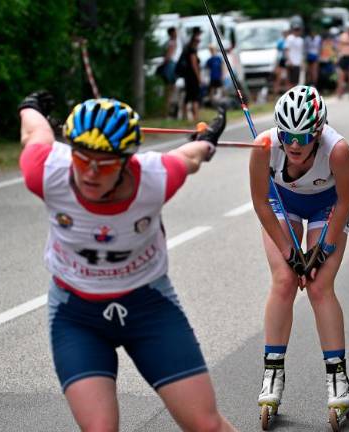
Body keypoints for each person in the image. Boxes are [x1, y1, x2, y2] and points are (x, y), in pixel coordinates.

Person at [17, 92, 237, 432]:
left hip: (148, 307)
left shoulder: (154, 177)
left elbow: (188, 157)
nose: (90, 173)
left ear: (126, 162)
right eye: (82, 159)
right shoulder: (46, 172)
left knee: (206, 425)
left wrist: (206, 143)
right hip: (77, 316)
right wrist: (31, 107)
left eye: (104, 164)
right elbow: (35, 132)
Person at [249, 85, 349, 422]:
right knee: (284, 280)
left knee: (319, 286)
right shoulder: (265, 146)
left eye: (304, 136)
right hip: (282, 203)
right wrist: (289, 251)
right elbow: (259, 203)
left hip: (328, 207)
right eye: (288, 135)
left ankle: (337, 380)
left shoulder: (337, 151)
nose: (294, 144)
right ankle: (272, 376)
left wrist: (322, 251)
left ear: (319, 131)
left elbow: (345, 202)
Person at [181, 28, 202, 121]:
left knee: (188, 96)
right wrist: (199, 77)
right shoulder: (192, 50)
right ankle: (196, 117)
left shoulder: (187, 48)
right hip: (192, 76)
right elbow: (194, 65)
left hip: (187, 76)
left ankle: (184, 116)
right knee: (194, 96)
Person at [161, 27, 180, 118]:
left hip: (171, 65)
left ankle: (168, 111)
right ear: (172, 33)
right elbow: (168, 56)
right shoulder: (172, 43)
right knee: (170, 89)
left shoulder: (172, 42)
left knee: (170, 89)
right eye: (175, 32)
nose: (176, 33)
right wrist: (163, 64)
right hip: (170, 65)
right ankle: (167, 112)